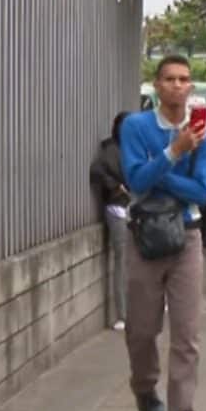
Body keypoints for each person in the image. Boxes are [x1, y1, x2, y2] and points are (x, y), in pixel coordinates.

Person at [121, 56, 206, 411]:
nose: (178, 85)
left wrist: (158, 171)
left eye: (184, 79)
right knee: (142, 329)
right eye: (170, 79)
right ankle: (144, 387)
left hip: (187, 236)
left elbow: (202, 192)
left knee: (187, 332)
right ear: (157, 85)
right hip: (145, 235)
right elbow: (134, 179)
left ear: (191, 87)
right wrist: (175, 151)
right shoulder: (136, 126)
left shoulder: (205, 135)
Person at [90, 112, 132, 331]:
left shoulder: (134, 147)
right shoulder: (110, 150)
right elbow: (96, 171)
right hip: (118, 208)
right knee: (121, 259)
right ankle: (122, 314)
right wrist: (116, 187)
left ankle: (139, 308)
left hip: (135, 208)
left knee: (140, 260)